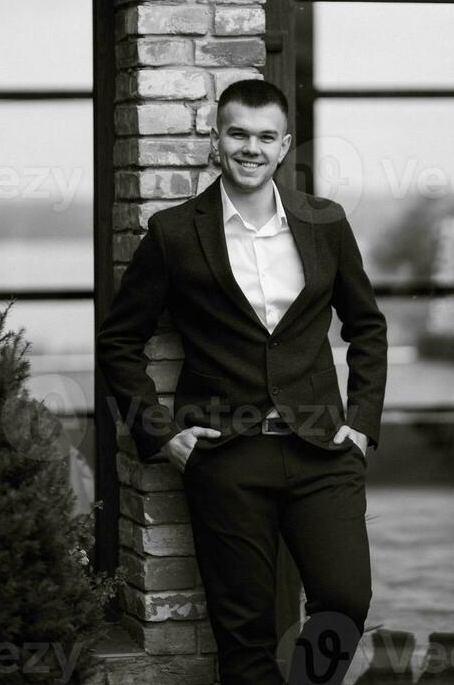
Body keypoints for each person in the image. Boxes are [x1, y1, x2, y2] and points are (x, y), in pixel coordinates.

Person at [96, 78, 388, 685]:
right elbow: (119, 341)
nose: (250, 148)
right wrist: (162, 435)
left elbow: (368, 327)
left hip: (322, 451)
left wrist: (360, 424)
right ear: (216, 141)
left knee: (344, 603)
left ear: (284, 147)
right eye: (237, 134)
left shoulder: (324, 223)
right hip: (227, 456)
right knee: (244, 639)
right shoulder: (176, 233)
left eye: (265, 137)